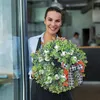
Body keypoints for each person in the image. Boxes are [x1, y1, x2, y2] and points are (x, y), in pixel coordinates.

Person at [28, 6, 73, 100]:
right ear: (44, 20)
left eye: (57, 21)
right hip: (38, 92)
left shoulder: (64, 44)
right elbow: (27, 67)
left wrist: (65, 52)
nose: (53, 24)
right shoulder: (32, 42)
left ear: (61, 23)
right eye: (50, 19)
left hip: (60, 94)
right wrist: (32, 73)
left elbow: (71, 73)